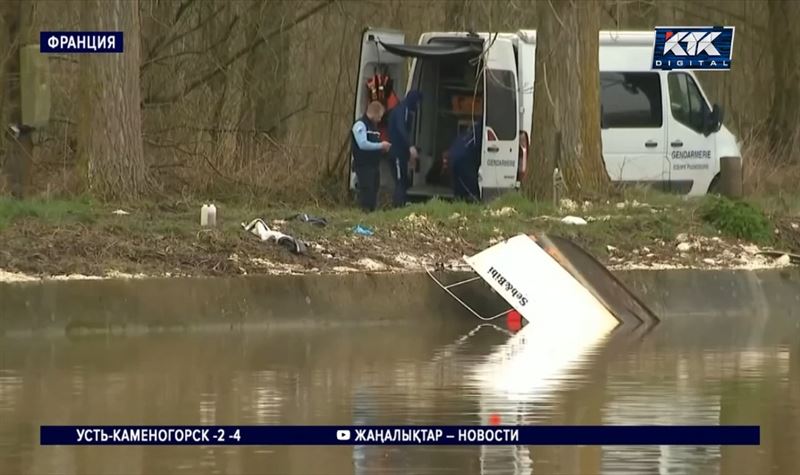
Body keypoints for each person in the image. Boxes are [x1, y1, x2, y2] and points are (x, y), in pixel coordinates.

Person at [351, 101, 391, 212]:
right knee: (366, 192)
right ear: (374, 113)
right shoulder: (360, 125)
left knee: (374, 191)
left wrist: (383, 149)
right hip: (363, 165)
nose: (380, 119)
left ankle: (371, 215)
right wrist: (380, 145)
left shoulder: (374, 127)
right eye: (379, 116)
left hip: (374, 165)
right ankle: (364, 215)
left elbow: (373, 143)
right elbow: (362, 144)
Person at [387, 90, 422, 208]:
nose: (417, 106)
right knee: (400, 180)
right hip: (396, 152)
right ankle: (398, 207)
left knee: (403, 180)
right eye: (417, 103)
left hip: (400, 152)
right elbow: (401, 129)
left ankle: (402, 204)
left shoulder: (404, 110)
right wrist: (410, 146)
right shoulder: (402, 111)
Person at [445, 120, 483, 202]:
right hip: (463, 160)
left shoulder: (468, 134)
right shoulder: (479, 132)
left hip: (457, 158)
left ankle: (459, 203)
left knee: (460, 188)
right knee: (470, 188)